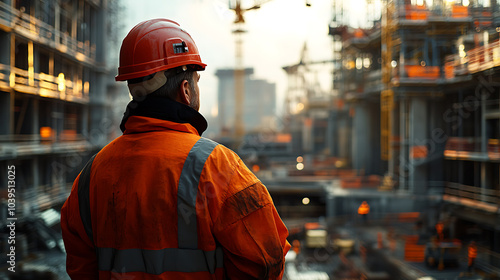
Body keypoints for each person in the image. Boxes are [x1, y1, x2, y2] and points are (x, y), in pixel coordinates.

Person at [61, 18, 291, 280]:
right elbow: (266, 263)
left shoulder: (90, 175)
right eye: (196, 81)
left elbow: (80, 268)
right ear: (185, 91)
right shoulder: (219, 167)